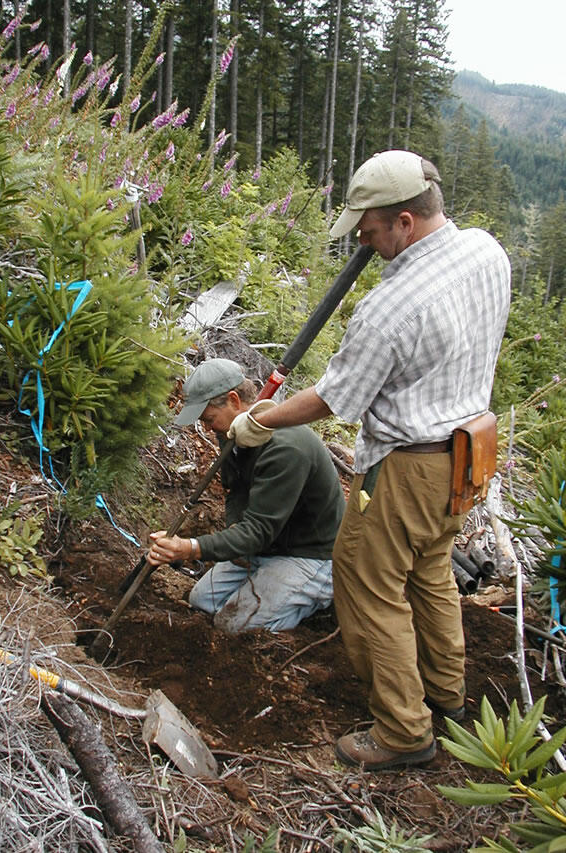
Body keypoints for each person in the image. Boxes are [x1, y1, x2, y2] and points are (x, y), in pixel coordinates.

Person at [228, 150, 511, 770]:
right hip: (466, 459)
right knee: (430, 569)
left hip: (407, 467)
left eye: (369, 227)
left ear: (405, 221)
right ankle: (447, 696)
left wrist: (259, 419)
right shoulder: (488, 253)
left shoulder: (390, 307)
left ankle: (405, 733)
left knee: (367, 586)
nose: (362, 238)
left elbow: (336, 398)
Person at [146, 358, 346, 634]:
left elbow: (259, 530)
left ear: (233, 400)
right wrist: (234, 532)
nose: (207, 428)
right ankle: (272, 593)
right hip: (267, 545)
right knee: (201, 601)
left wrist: (190, 548)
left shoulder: (285, 448)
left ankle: (314, 604)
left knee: (234, 626)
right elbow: (236, 491)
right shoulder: (233, 433)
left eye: (208, 419)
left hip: (311, 554)